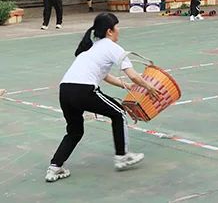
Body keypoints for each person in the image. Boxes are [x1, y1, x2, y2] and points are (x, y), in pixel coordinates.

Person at [45, 13, 161, 182]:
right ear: (109, 31)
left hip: (65, 90)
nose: (119, 30)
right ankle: (122, 156)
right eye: (117, 26)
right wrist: (149, 87)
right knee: (119, 112)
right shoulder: (113, 47)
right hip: (83, 90)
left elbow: (104, 76)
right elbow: (133, 75)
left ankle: (54, 167)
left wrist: (126, 86)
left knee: (75, 131)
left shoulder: (92, 48)